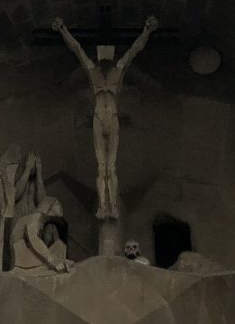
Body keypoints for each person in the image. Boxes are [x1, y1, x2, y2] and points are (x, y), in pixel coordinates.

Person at [52, 15, 158, 219]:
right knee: (102, 167)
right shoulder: (93, 72)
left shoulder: (118, 70)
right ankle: (103, 205)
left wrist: (147, 31)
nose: (105, 62)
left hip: (111, 119)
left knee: (111, 167)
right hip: (99, 118)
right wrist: (63, 29)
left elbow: (134, 50)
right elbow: (77, 50)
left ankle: (113, 207)